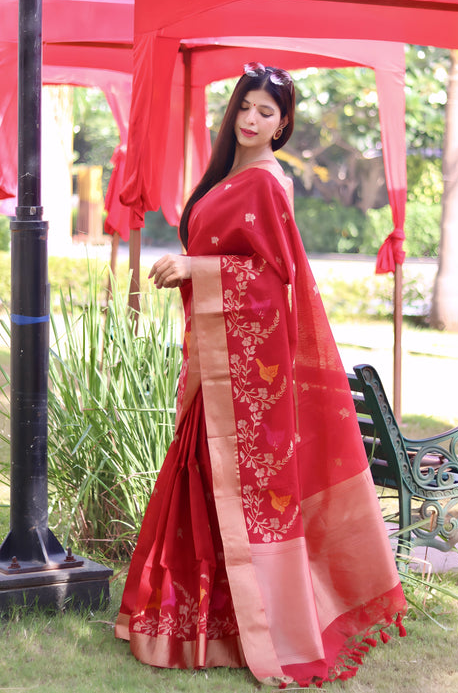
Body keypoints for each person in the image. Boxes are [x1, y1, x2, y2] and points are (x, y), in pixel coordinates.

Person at [115, 62, 407, 687]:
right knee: (199, 475)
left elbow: (276, 284)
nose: (251, 119)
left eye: (266, 112)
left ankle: (238, 624)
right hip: (218, 360)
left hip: (252, 370)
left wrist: (198, 271)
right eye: (245, 107)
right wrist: (196, 269)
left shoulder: (268, 184)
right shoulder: (229, 176)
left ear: (283, 125)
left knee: (234, 486)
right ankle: (193, 620)